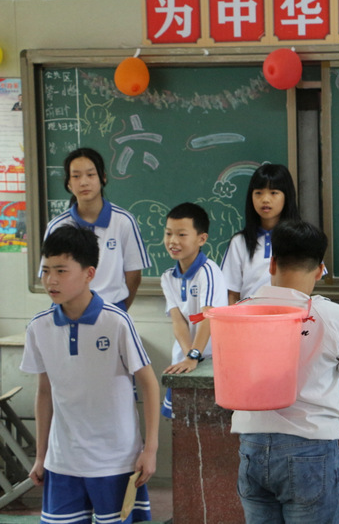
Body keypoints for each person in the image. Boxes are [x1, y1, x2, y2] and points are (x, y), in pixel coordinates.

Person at [231, 220, 339, 523]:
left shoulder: (239, 313)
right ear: (320, 270)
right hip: (310, 448)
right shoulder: (335, 317)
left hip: (251, 445)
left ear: (272, 263)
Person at [21, 225, 159, 524]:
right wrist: (41, 456)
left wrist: (150, 449)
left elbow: (149, 384)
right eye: (46, 271)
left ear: (89, 273)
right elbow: (44, 392)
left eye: (61, 271)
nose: (51, 280)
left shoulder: (116, 321)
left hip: (116, 462)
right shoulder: (38, 327)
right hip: (62, 461)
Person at [42, 147, 151, 310]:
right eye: (76, 176)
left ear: (103, 178)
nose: (84, 182)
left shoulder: (123, 221)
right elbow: (48, 273)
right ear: (69, 183)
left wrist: (117, 311)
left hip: (111, 308)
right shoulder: (57, 226)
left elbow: (134, 275)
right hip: (67, 311)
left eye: (91, 174)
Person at [160, 202, 227, 417]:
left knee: (210, 422)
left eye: (181, 234)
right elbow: (178, 321)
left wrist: (195, 355)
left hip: (211, 362)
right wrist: (188, 355)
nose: (173, 241)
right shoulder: (167, 277)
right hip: (186, 360)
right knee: (181, 422)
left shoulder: (209, 272)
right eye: (168, 233)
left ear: (201, 239)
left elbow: (208, 318)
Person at [220, 163, 301, 304]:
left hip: (288, 314)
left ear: (287, 196)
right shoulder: (239, 242)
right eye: (258, 193)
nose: (265, 199)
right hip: (247, 316)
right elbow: (232, 294)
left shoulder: (301, 239)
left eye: (273, 193)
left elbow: (306, 288)